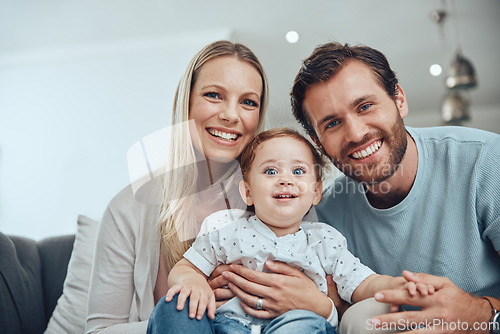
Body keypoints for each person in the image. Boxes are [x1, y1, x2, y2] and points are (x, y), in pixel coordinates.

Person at [289, 42, 500, 333]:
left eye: (365, 106)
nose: (356, 133)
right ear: (318, 142)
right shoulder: (322, 217)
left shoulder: (487, 161)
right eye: (333, 123)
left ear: (399, 99)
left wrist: (482, 316)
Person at [147, 128, 434, 334]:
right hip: (225, 325)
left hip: (295, 324)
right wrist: (192, 282)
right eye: (271, 172)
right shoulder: (226, 228)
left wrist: (398, 287)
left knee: (305, 324)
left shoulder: (325, 240)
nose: (285, 180)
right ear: (247, 191)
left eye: (298, 172)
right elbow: (185, 268)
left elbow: (363, 284)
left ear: (316, 191)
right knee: (175, 306)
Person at [85, 40, 270, 333]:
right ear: (186, 103)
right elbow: (99, 331)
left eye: (248, 102)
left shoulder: (282, 197)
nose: (232, 115)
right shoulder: (129, 208)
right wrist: (187, 314)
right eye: (214, 95)